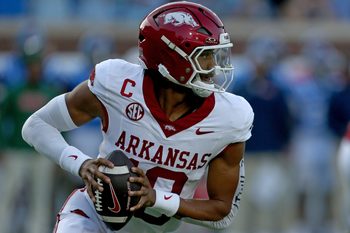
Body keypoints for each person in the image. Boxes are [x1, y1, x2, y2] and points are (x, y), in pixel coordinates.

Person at [22, 1, 254, 232]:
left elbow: (223, 214)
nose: (213, 67)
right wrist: (81, 164)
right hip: (92, 218)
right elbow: (37, 125)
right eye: (204, 56)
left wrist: (156, 198)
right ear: (171, 57)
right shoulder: (117, 84)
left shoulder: (229, 117)